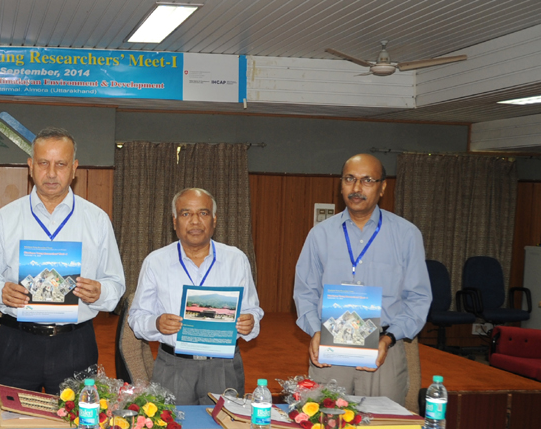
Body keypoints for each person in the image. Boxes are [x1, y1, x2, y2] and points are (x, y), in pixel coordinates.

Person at [0, 127, 125, 393]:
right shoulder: (5, 218)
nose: (51, 173)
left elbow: (115, 285)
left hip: (75, 344)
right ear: (30, 166)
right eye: (43, 163)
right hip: (17, 343)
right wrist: (1, 291)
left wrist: (100, 292)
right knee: (13, 419)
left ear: (74, 168)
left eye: (61, 164)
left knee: (78, 419)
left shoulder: (96, 220)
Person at [293, 153, 431, 405]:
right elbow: (305, 291)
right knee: (324, 420)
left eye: (367, 180)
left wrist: (388, 339)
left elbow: (419, 298)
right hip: (329, 347)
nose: (356, 188)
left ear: (382, 187)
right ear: (341, 185)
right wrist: (315, 331)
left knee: (380, 423)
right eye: (349, 179)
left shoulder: (406, 234)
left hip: (383, 348)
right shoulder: (320, 234)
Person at [128, 188, 263, 403]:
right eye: (186, 213)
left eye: (203, 213)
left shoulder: (236, 260)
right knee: (171, 423)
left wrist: (250, 321)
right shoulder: (155, 262)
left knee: (222, 424)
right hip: (173, 365)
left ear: (214, 220)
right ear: (174, 222)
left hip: (223, 366)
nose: (195, 221)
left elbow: (252, 310)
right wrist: (157, 323)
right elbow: (136, 317)